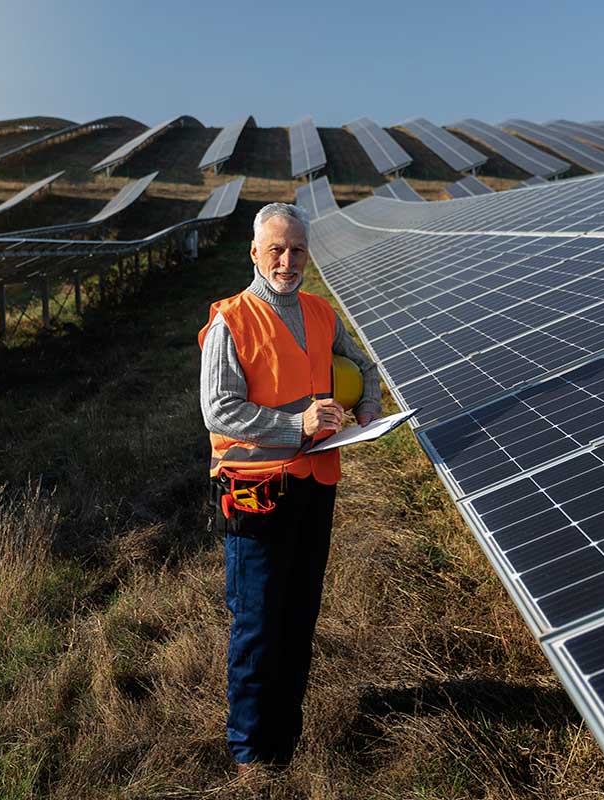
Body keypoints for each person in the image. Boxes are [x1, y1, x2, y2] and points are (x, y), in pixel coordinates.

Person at [198, 202, 381, 773]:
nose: (287, 260)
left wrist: (370, 406)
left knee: (300, 614)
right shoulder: (232, 319)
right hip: (256, 491)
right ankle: (251, 755)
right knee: (257, 622)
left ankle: (286, 737)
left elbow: (363, 365)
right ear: (254, 253)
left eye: (297, 250)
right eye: (276, 249)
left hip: (315, 485)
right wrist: (292, 425)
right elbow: (217, 409)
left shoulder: (321, 313)